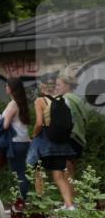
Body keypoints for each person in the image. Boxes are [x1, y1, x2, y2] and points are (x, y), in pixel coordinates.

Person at [32, 77, 78, 209]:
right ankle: (70, 205)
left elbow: (39, 123)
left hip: (46, 142)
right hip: (62, 141)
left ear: (43, 87)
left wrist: (34, 135)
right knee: (59, 174)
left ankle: (40, 204)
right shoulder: (63, 100)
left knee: (37, 171)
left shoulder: (39, 100)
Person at [57, 74, 93, 192]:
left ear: (67, 85)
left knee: (66, 173)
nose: (56, 88)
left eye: (59, 85)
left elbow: (64, 123)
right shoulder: (78, 100)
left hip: (68, 138)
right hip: (78, 139)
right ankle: (71, 202)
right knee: (71, 172)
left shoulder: (65, 100)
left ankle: (70, 204)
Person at [0, 77, 31, 200]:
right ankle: (23, 202)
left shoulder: (12, 104)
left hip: (15, 142)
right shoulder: (22, 102)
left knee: (19, 174)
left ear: (11, 88)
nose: (6, 88)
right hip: (24, 141)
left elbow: (5, 125)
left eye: (7, 86)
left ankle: (22, 203)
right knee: (22, 172)